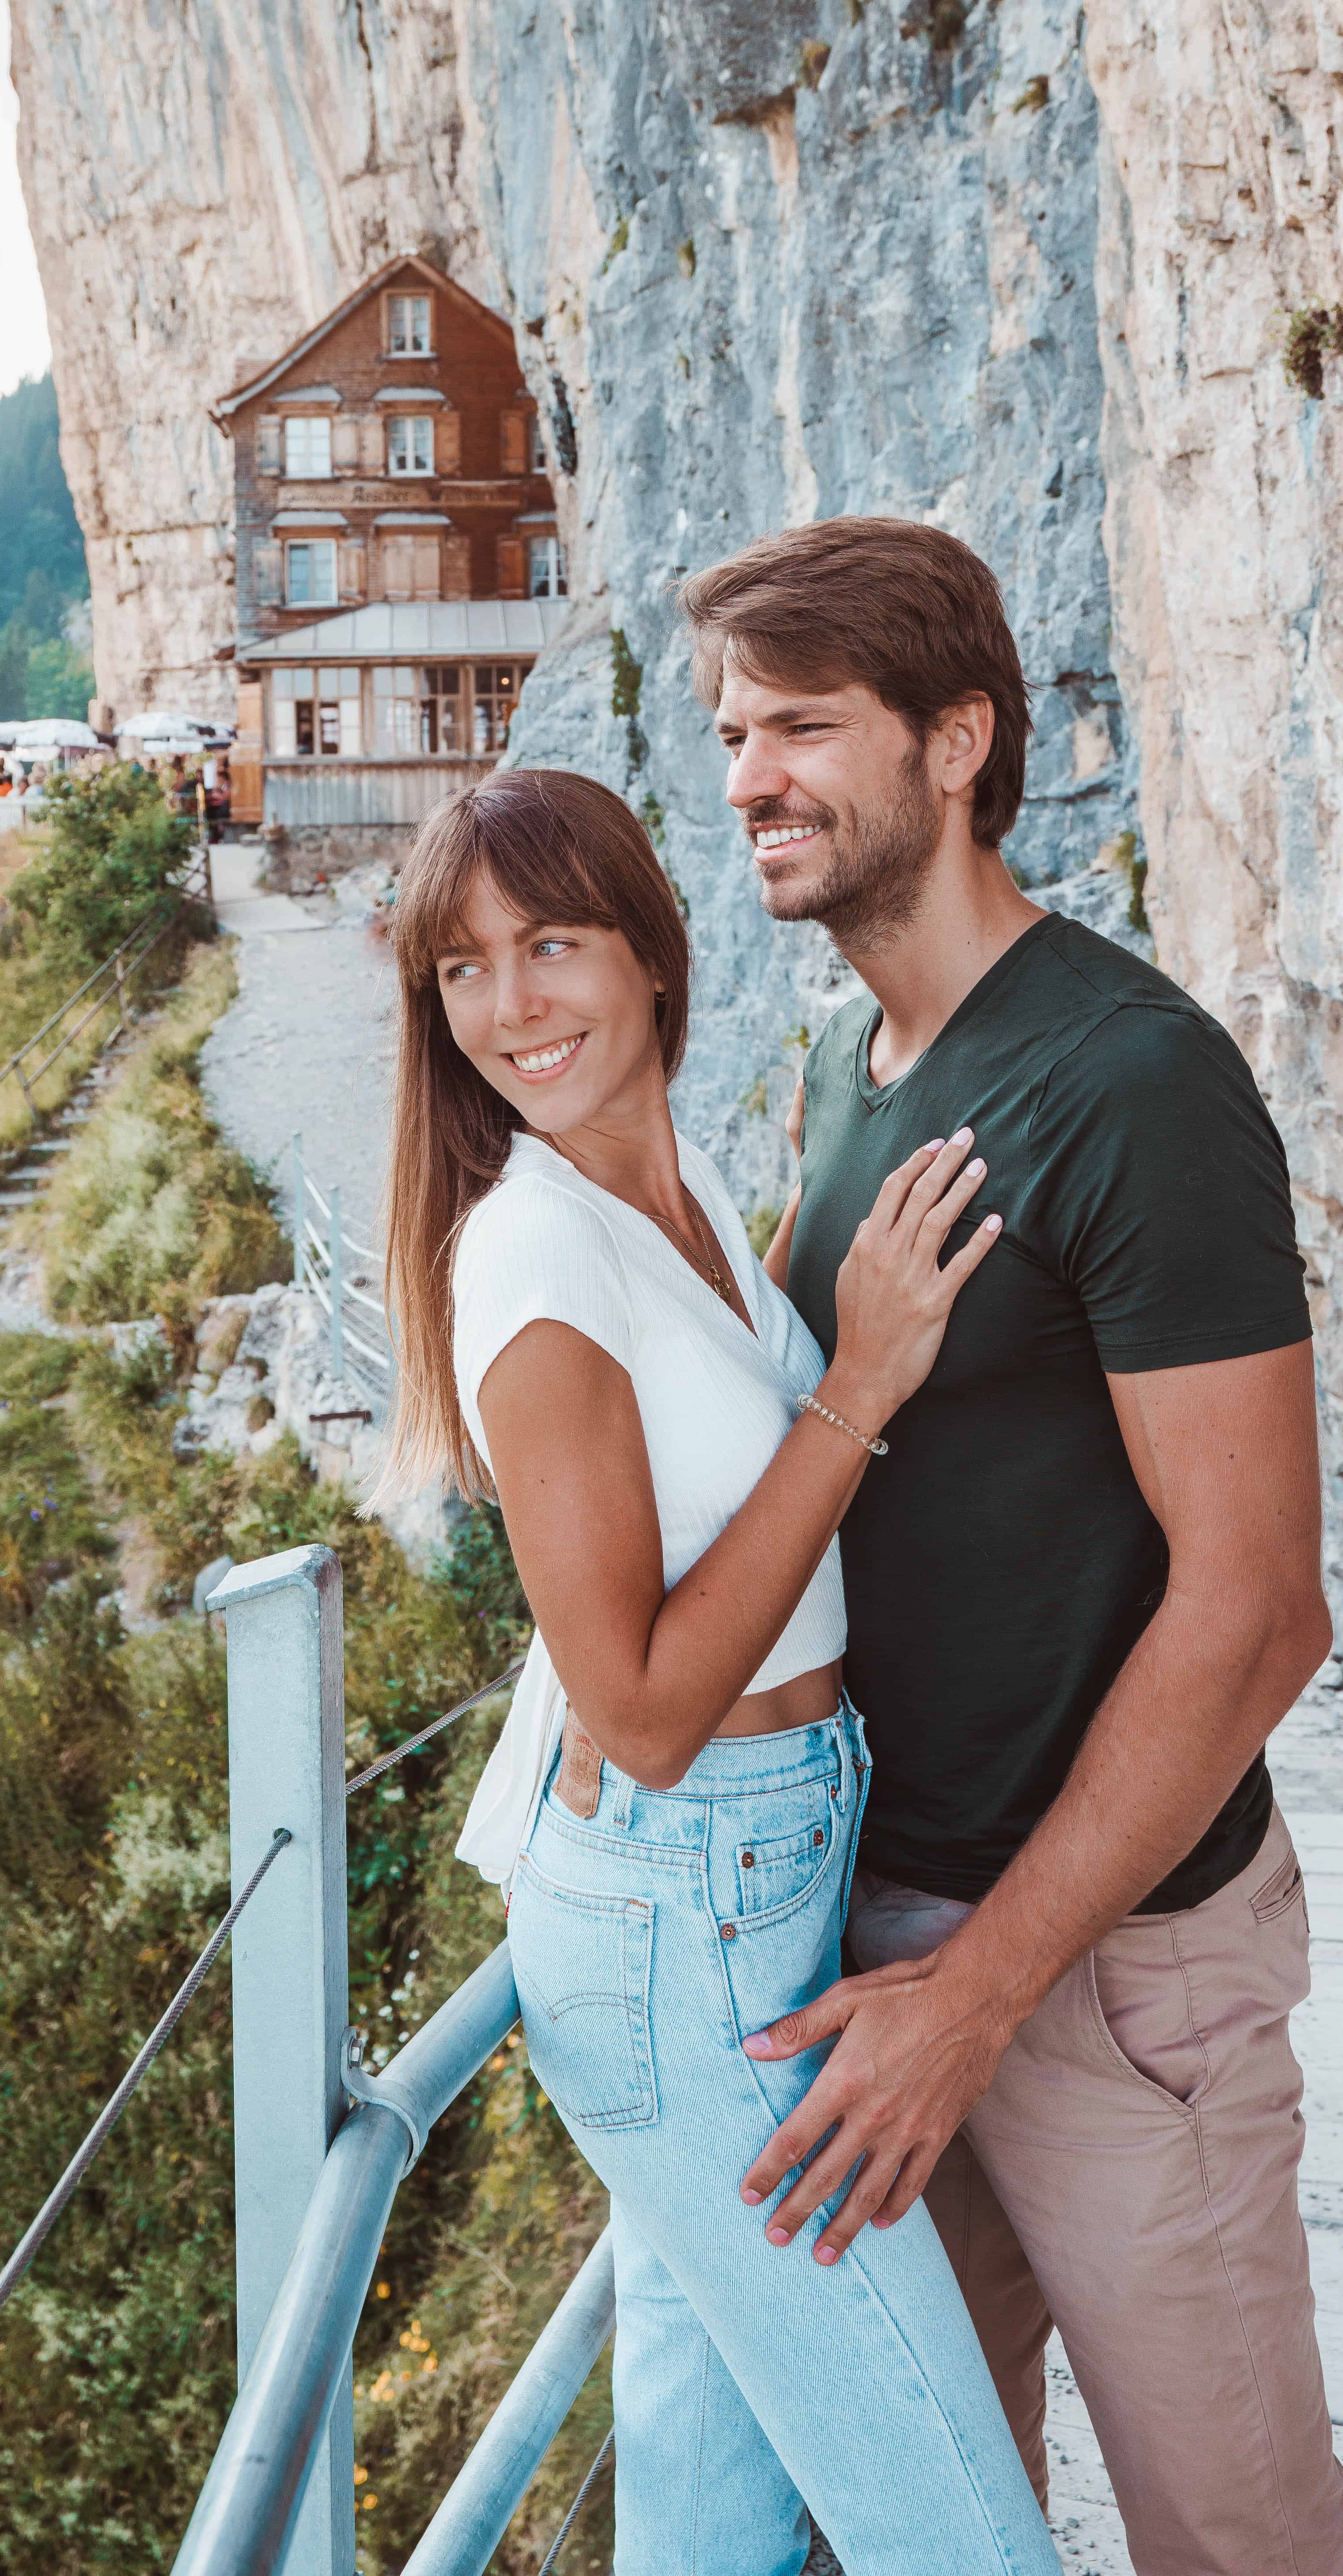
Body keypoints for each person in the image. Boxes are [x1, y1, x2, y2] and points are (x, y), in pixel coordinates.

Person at [678, 516, 1343, 2576]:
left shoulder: (1134, 1081)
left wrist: (983, 1989)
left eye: (801, 724)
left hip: (1110, 1968)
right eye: (730, 731)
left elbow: (1258, 1610)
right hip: (872, 1953)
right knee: (941, 2529)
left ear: (958, 739)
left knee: (1238, 2539)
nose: (747, 778)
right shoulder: (844, 1062)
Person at [382, 768, 1057, 2576]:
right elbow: (645, 1708)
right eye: (462, 969)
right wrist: (866, 1382)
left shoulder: (665, 1209)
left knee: (714, 2524)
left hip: (760, 1880)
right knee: (964, 2527)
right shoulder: (528, 1246)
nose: (512, 1002)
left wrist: (825, 1338)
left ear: (651, 956)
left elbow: (717, 1458)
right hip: (687, 1916)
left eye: (552, 944)